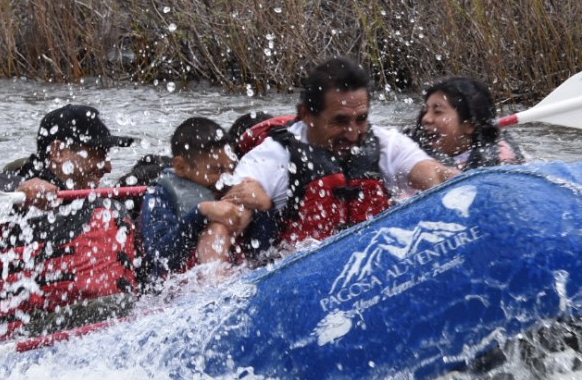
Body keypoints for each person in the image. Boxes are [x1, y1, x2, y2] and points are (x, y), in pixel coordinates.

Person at [0, 104, 140, 341]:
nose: (108, 166)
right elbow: (3, 195)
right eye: (97, 153)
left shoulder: (96, 202)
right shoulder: (8, 187)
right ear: (58, 152)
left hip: (88, 327)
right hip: (6, 335)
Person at [221, 57, 457, 247]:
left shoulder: (386, 144)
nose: (353, 133)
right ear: (306, 115)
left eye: (361, 119)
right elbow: (226, 222)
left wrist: (468, 183)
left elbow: (435, 174)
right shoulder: (271, 158)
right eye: (340, 121)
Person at [136, 117, 272, 277]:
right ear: (181, 167)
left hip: (238, 279)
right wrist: (201, 212)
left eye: (231, 168)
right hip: (176, 292)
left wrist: (264, 207)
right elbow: (161, 256)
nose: (226, 178)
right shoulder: (159, 197)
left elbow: (265, 250)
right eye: (216, 170)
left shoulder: (236, 189)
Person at [411, 77, 526, 171]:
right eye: (425, 111)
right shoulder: (410, 153)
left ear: (469, 125)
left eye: (438, 112)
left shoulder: (499, 158)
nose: (426, 119)